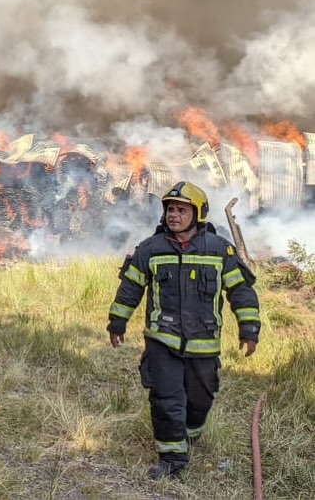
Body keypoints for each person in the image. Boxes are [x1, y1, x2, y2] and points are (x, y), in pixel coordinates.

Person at [107, 181, 261, 479]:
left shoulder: (219, 249)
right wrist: (117, 322)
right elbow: (130, 288)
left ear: (198, 213)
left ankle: (189, 435)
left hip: (204, 343)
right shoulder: (150, 249)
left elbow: (240, 290)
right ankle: (172, 458)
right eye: (170, 210)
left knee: (200, 399)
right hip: (161, 340)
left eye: (181, 210)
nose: (173, 215)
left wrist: (249, 328)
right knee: (166, 398)